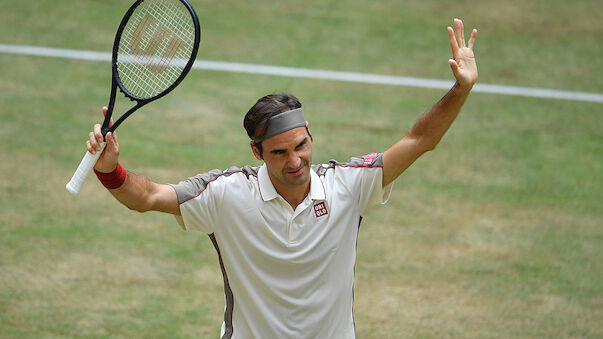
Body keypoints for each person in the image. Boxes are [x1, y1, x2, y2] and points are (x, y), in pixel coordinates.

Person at [86, 18, 478, 339]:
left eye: (301, 145)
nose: (296, 161)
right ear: (256, 153)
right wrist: (110, 171)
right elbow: (149, 197)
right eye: (279, 152)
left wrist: (460, 90)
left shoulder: (349, 185)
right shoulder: (225, 194)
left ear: (310, 133)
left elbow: (420, 139)